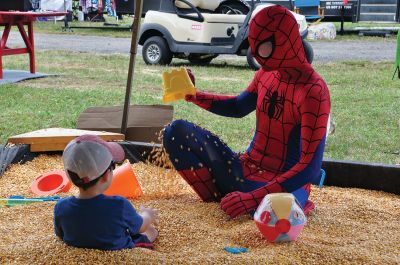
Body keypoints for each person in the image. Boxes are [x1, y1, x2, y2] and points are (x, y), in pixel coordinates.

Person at [163, 5, 330, 218]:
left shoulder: (313, 91)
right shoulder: (266, 74)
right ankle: (225, 203)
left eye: (263, 48)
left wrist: (252, 199)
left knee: (276, 214)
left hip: (283, 188)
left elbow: (310, 168)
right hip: (245, 171)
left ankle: (242, 204)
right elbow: (238, 106)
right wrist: (195, 95)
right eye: (254, 46)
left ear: (285, 41)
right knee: (175, 132)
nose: (258, 56)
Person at [54, 134, 158, 250]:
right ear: (106, 175)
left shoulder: (61, 206)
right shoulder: (119, 205)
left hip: (78, 253)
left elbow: (60, 235)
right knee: (151, 231)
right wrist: (147, 215)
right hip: (119, 251)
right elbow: (141, 227)